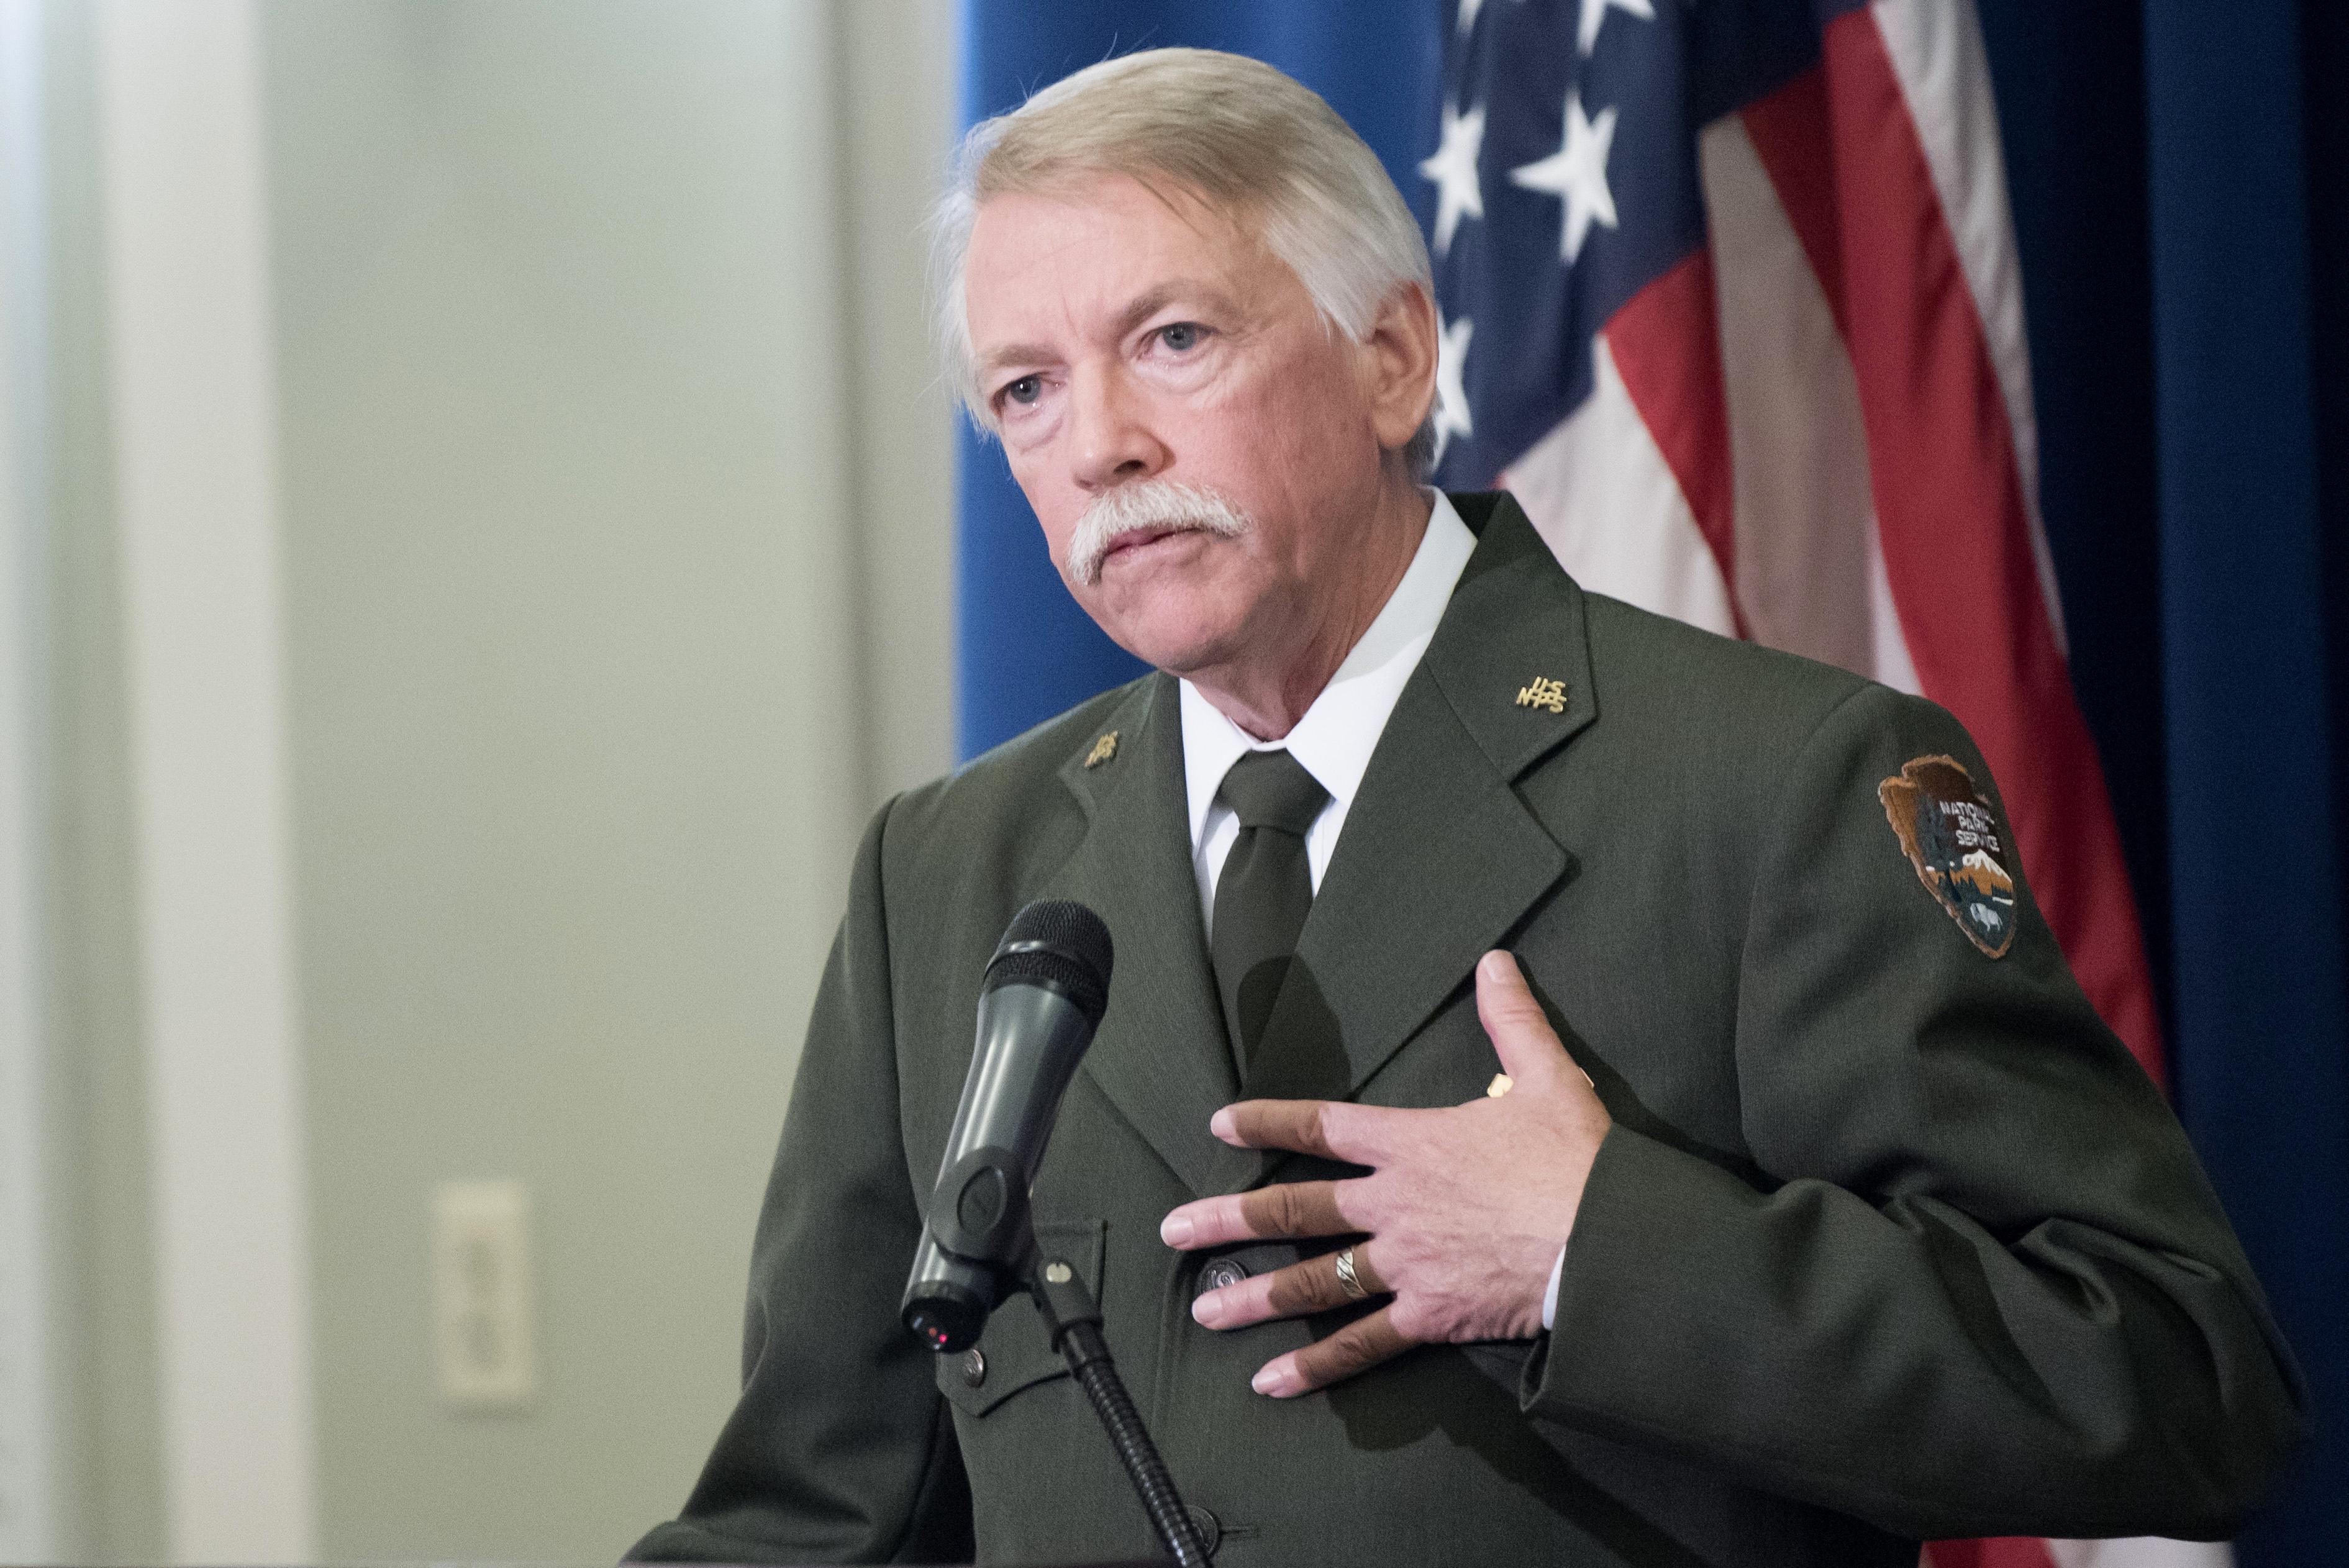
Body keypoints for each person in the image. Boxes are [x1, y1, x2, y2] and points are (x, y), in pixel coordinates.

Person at [629, 47, 2303, 1567]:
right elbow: (814, 1519)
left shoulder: (1771, 788)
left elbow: (2170, 1378)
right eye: (1026, 392)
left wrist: (1597, 1251)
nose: (1102, 448)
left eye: (1173, 340)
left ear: (1392, 357)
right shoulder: (948, 874)